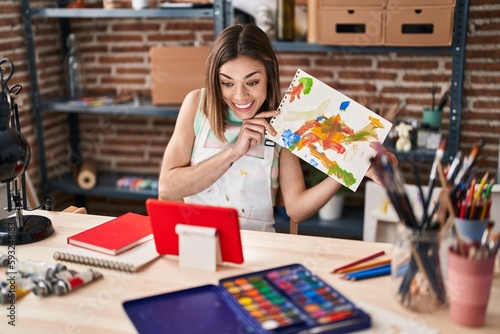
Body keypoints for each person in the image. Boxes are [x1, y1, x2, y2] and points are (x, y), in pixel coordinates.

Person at [158, 23, 397, 232]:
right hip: (197, 240)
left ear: (269, 76)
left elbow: (296, 210)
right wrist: (234, 152)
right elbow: (168, 188)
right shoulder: (197, 105)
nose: (240, 96)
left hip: (259, 248)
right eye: (227, 83)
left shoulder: (286, 122)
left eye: (252, 82)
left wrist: (346, 171)